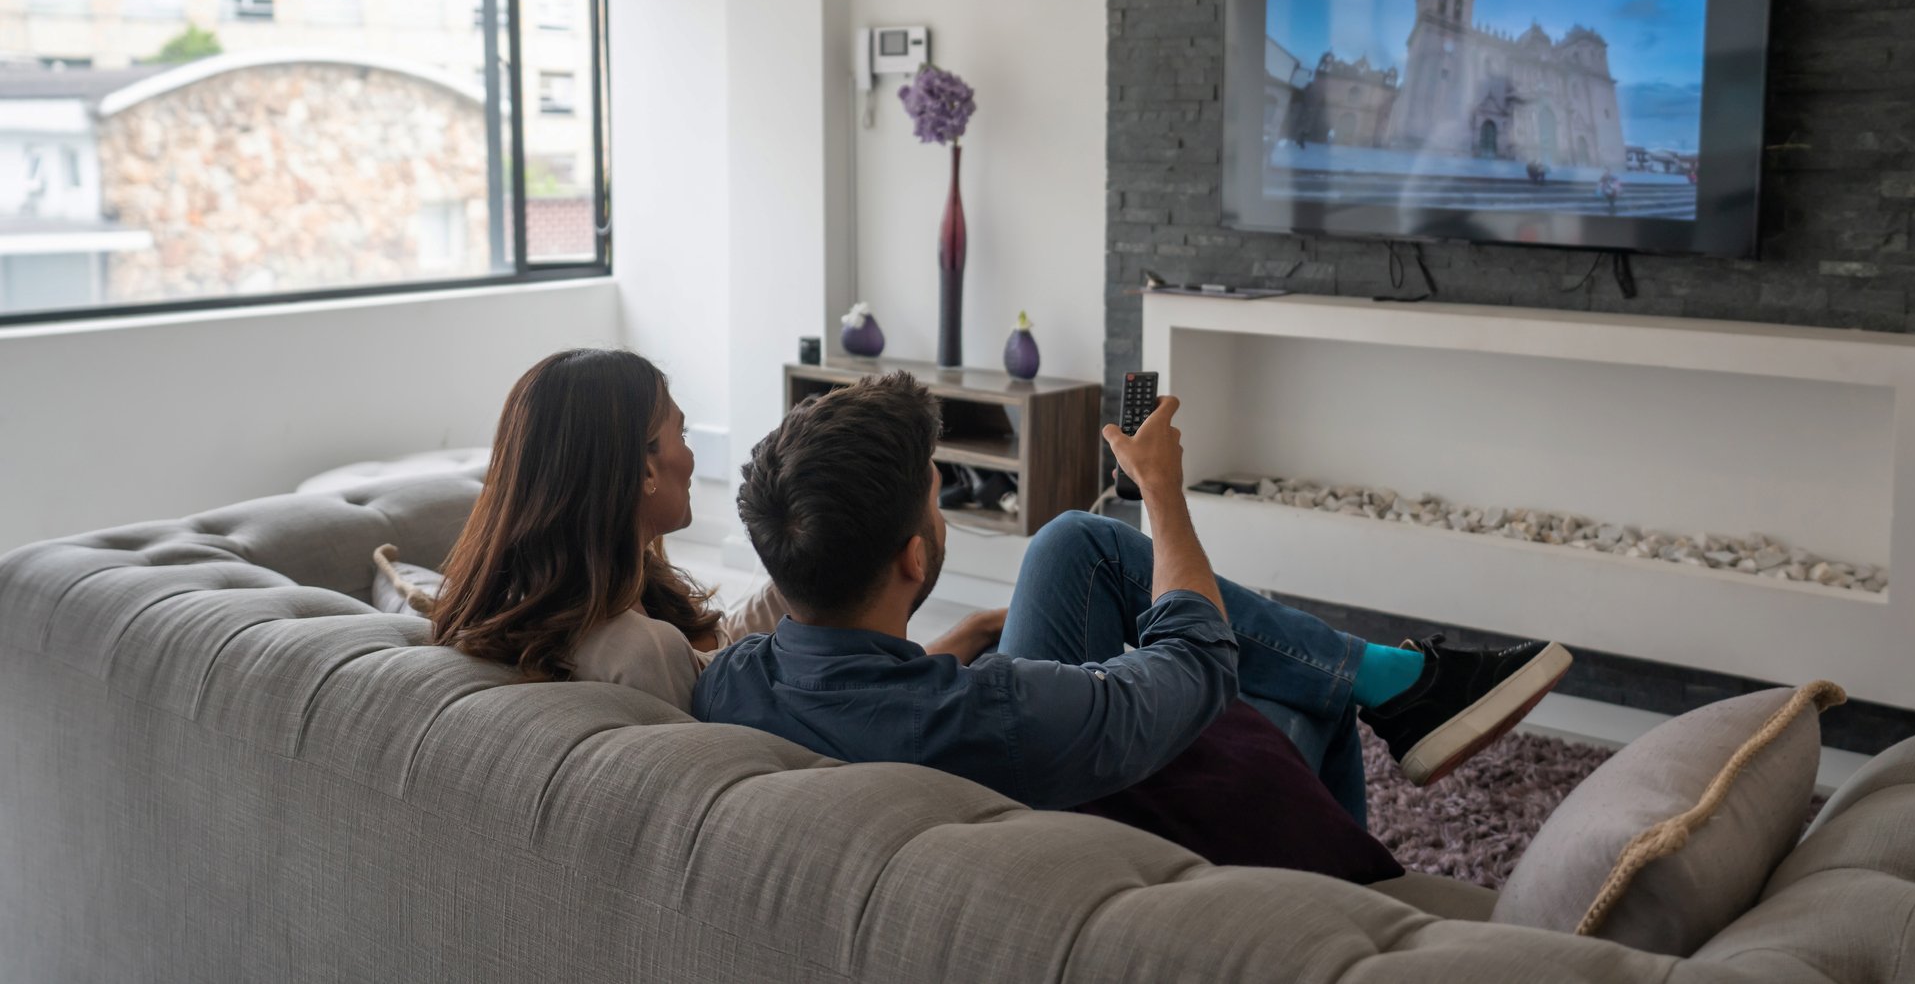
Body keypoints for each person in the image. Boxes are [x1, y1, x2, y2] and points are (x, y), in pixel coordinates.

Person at [696, 372, 1572, 823]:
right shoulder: (998, 710)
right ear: (916, 559)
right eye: (939, 489)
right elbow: (1197, 662)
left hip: (952, 740)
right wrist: (1160, 491)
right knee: (1303, 701)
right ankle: (1357, 842)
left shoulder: (728, 682)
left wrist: (958, 635)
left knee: (1072, 542)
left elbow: (858, 694)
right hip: (1079, 834)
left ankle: (1395, 684)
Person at [427, 349, 999, 710]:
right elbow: (827, 707)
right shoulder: (642, 656)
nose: (692, 456)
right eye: (683, 433)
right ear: (647, 467)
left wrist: (813, 544)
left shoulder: (522, 603)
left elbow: (724, 645)